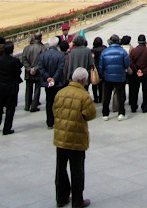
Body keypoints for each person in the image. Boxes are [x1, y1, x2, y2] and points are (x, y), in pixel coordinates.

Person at [53, 67, 97, 208]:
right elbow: (90, 115)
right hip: (76, 136)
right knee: (77, 169)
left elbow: (54, 110)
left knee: (61, 168)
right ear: (84, 80)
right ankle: (78, 200)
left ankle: (61, 197)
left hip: (60, 135)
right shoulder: (84, 95)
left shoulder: (60, 92)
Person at [0, 41, 23, 135]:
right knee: (10, 109)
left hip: (0, 87)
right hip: (11, 88)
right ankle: (6, 128)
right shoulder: (14, 61)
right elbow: (18, 71)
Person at [98, 34, 130, 121]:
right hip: (120, 76)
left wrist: (103, 74)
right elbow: (127, 64)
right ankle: (121, 113)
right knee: (120, 95)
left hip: (108, 76)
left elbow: (101, 66)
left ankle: (105, 114)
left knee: (107, 96)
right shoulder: (123, 51)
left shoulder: (105, 52)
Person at [39, 37, 68, 128]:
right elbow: (60, 69)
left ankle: (49, 121)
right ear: (57, 45)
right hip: (58, 82)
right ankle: (58, 120)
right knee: (58, 102)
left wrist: (48, 78)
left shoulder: (43, 55)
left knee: (49, 101)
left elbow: (41, 68)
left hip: (47, 83)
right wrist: (54, 78)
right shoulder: (60, 55)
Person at [129, 34, 147, 113]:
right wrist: (145, 69)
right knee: (145, 91)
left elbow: (131, 62)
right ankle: (145, 107)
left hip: (135, 73)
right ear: (145, 41)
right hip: (146, 72)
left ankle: (133, 106)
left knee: (134, 90)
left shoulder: (133, 51)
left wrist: (137, 70)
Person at [21, 32, 46, 112]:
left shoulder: (26, 48)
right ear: (41, 38)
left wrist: (29, 68)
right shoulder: (42, 48)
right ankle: (34, 106)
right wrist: (35, 69)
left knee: (28, 89)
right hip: (38, 72)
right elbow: (43, 60)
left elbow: (24, 59)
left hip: (29, 72)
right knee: (37, 89)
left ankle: (27, 105)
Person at [90, 37, 106, 103]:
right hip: (103, 68)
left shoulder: (93, 50)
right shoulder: (104, 49)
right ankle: (101, 97)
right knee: (101, 84)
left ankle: (96, 97)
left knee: (94, 83)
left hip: (95, 68)